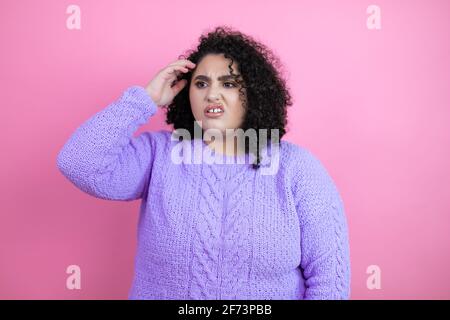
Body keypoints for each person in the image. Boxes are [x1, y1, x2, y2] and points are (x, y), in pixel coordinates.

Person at [56, 25, 351, 300]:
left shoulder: (297, 168)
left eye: (229, 83)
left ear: (255, 93)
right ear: (187, 93)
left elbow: (330, 282)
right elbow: (79, 163)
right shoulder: (158, 154)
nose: (212, 93)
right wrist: (145, 99)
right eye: (201, 83)